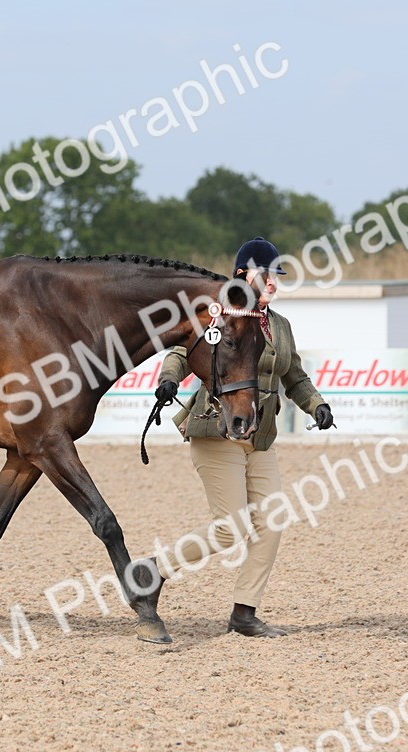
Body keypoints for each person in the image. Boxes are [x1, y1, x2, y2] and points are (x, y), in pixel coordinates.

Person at [153, 237, 334, 638]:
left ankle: (244, 612)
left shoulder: (280, 326)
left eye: (277, 276)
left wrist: (316, 404)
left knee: (272, 522)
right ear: (242, 276)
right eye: (266, 275)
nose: (273, 283)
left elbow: (294, 376)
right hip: (217, 431)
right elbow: (182, 353)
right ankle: (154, 571)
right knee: (230, 529)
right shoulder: (221, 315)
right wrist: (168, 380)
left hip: (260, 436)